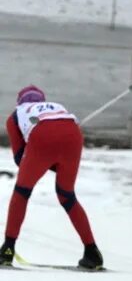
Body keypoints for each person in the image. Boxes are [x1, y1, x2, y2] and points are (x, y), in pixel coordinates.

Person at [1, 85, 103, 269]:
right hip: (73, 134)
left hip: (42, 136)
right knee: (67, 195)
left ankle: (7, 250)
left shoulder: (15, 117)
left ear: (19, 102)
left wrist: (42, 162)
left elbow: (19, 159)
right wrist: (56, 163)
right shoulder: (57, 107)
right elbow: (63, 141)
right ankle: (92, 252)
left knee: (22, 192)